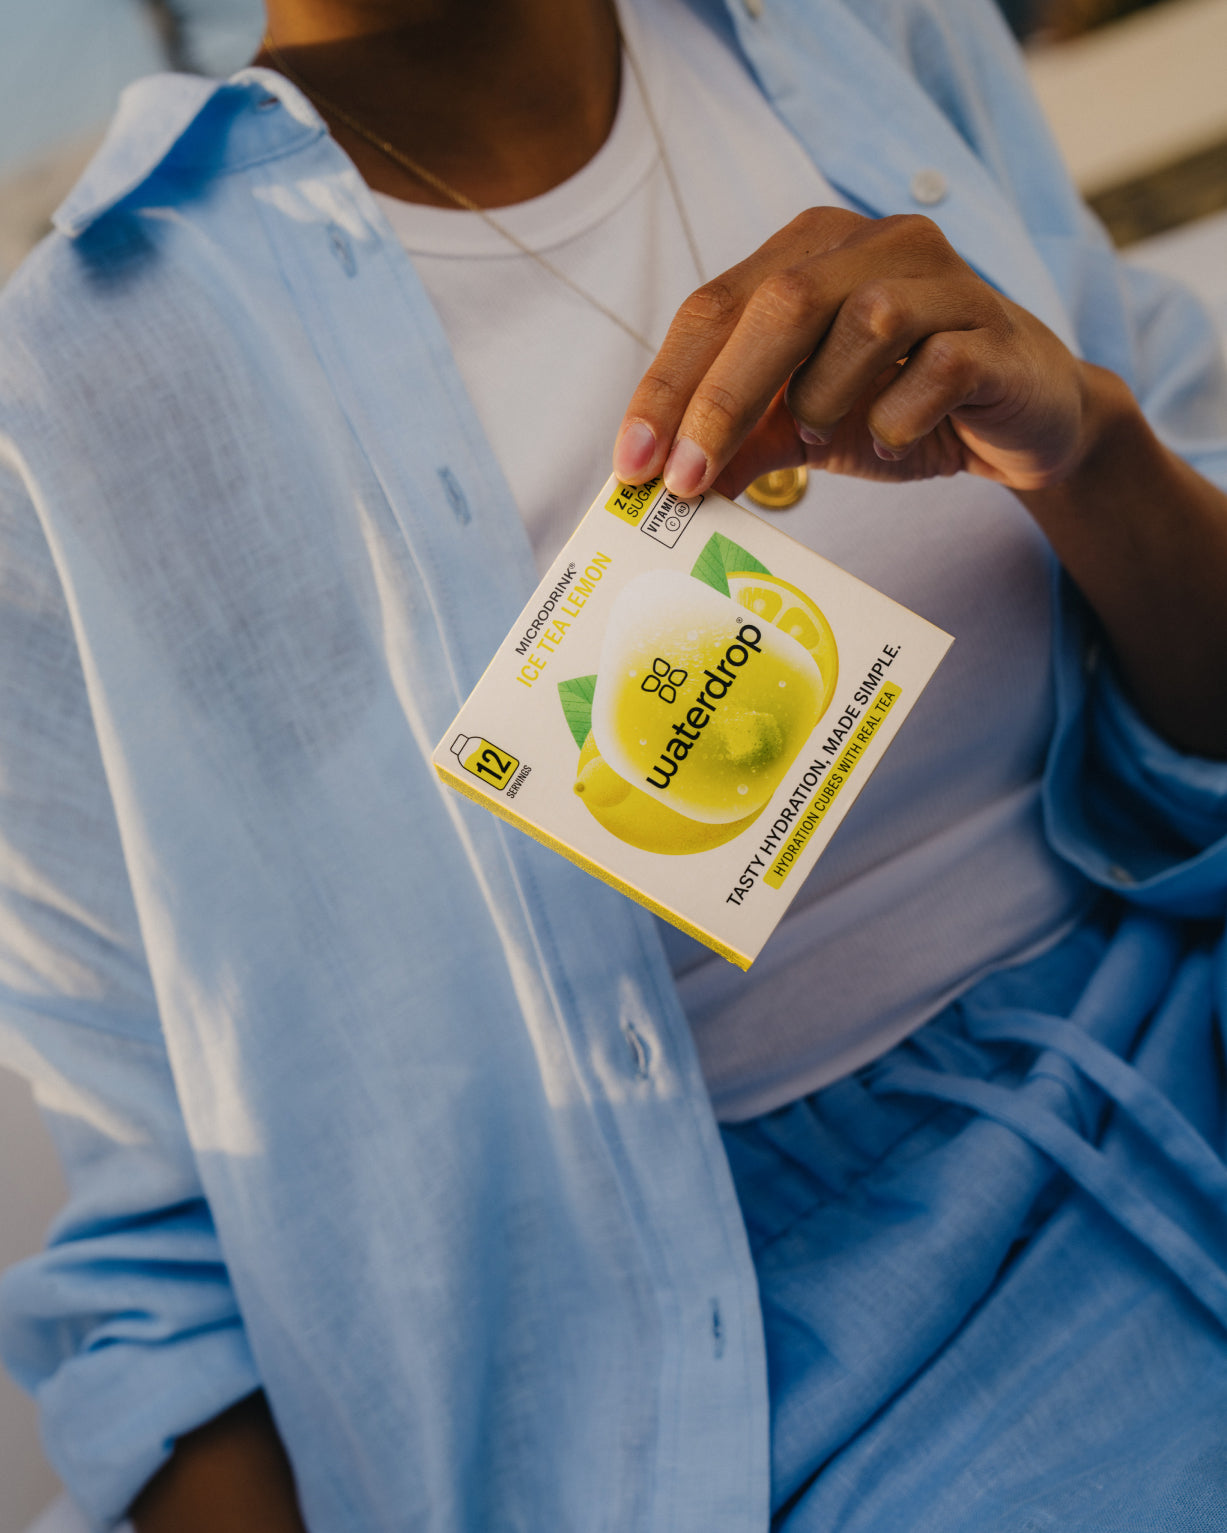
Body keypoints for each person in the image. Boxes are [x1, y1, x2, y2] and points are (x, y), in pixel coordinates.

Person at [1, 0, 1226, 1528]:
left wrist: (1092, 454)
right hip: (770, 1363)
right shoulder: (70, 400)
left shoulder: (872, 36)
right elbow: (176, 1273)